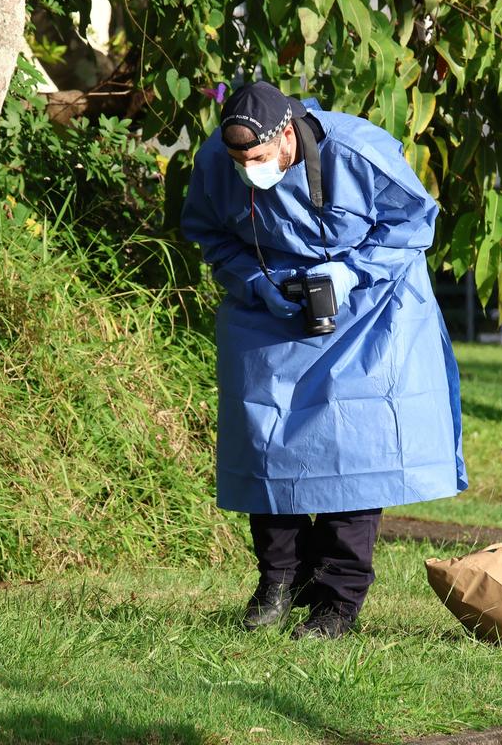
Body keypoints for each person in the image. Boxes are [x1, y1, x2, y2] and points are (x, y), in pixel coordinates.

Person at [180, 81, 468, 639]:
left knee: (353, 456)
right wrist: (255, 281)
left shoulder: (358, 151)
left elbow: (414, 224)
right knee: (265, 446)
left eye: (259, 159)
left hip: (368, 307)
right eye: (239, 162)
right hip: (271, 304)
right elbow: (211, 235)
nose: (248, 172)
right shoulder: (219, 161)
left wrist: (349, 272)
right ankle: (279, 581)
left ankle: (337, 602)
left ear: (287, 134)